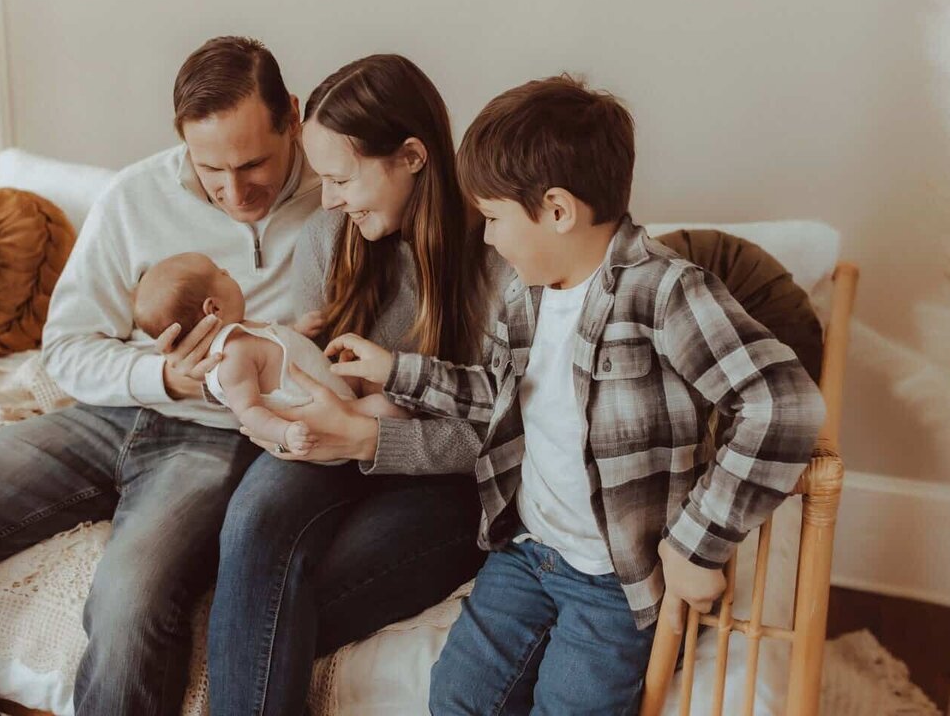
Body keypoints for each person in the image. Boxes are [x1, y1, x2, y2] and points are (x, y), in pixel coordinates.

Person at [0, 36, 321, 716]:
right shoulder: (136, 194)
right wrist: (159, 376)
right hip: (103, 415)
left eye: (253, 164)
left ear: (291, 117)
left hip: (214, 439)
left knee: (127, 606)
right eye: (211, 169)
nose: (235, 191)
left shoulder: (340, 202)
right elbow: (66, 347)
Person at [327, 74, 828, 714]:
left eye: (494, 219)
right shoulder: (525, 297)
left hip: (616, 580)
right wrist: (397, 370)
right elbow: (499, 399)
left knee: (573, 704)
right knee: (457, 695)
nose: (487, 239)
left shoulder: (666, 293)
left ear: (557, 211)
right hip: (527, 552)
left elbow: (782, 404)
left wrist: (696, 544)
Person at [207, 54, 504, 715]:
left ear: (411, 157)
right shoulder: (327, 238)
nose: (331, 197)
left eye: (342, 178)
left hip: (444, 484)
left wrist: (370, 437)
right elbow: (299, 375)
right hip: (331, 442)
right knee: (253, 527)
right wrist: (270, 373)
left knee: (281, 605)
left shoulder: (500, 259)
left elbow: (506, 432)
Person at [132, 251, 408, 453]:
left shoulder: (243, 329)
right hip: (320, 417)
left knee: (371, 376)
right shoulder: (231, 359)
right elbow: (249, 412)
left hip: (332, 386)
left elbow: (275, 351)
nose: (227, 272)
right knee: (385, 407)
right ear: (213, 308)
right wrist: (286, 433)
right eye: (221, 273)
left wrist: (298, 330)